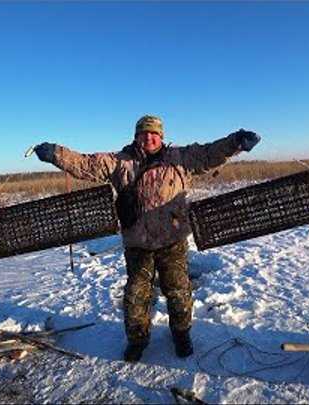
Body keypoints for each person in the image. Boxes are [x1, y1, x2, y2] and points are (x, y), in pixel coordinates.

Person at [33, 115, 260, 362]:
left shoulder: (181, 158)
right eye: (144, 133)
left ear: (161, 136)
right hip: (137, 243)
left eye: (154, 134)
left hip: (172, 240)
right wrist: (57, 154)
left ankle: (182, 335)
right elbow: (87, 164)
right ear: (136, 136)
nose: (149, 137)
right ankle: (137, 341)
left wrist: (236, 141)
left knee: (178, 292)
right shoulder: (120, 161)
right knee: (135, 296)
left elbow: (210, 153)